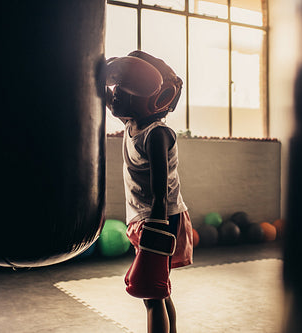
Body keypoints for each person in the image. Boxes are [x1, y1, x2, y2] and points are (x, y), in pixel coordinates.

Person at [106, 50, 193, 333]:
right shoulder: (133, 124)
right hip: (143, 219)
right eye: (118, 87)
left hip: (161, 218)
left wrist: (156, 231)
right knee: (159, 290)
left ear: (159, 98)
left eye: (124, 88)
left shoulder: (157, 134)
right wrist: (99, 70)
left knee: (151, 294)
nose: (117, 94)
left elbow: (160, 190)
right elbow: (107, 100)